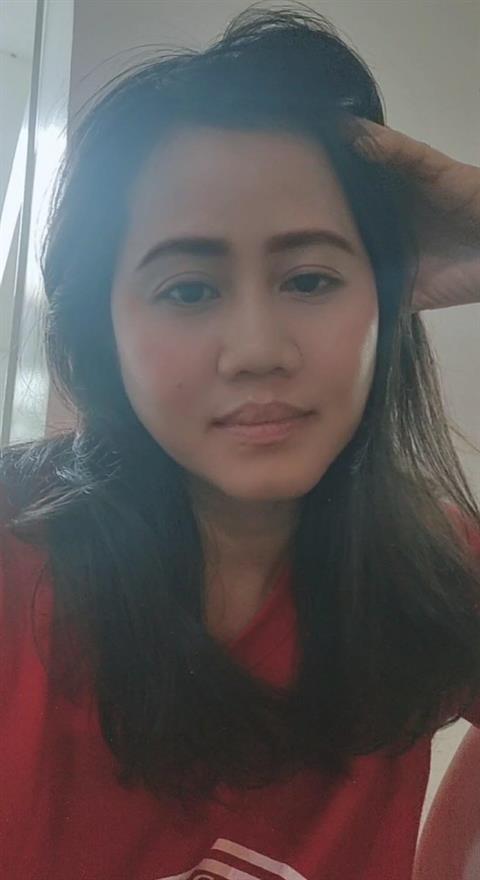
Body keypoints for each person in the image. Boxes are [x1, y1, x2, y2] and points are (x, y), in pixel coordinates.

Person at [1, 5, 479, 879]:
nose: (258, 350)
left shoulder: (436, 568)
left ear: (384, 303)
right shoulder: (16, 560)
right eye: (189, 290)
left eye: (310, 279)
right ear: (103, 329)